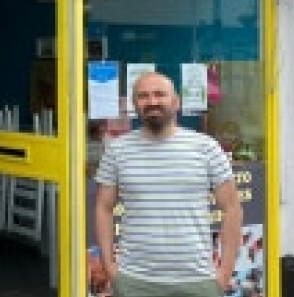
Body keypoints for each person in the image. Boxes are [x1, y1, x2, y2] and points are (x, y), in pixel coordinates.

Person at [94, 71, 242, 297]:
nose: (152, 102)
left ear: (176, 102)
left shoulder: (206, 148)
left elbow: (232, 209)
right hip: (134, 281)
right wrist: (110, 266)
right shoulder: (117, 150)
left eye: (159, 94)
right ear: (135, 104)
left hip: (197, 281)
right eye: (143, 96)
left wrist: (224, 273)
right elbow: (103, 208)